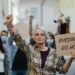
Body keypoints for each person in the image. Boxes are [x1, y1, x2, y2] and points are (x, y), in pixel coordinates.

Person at [5, 15, 75, 75]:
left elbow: (63, 70)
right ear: (34, 37)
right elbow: (18, 39)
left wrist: (71, 58)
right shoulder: (29, 50)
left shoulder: (54, 53)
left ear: (46, 37)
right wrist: (11, 26)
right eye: (37, 34)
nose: (39, 36)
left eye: (42, 34)